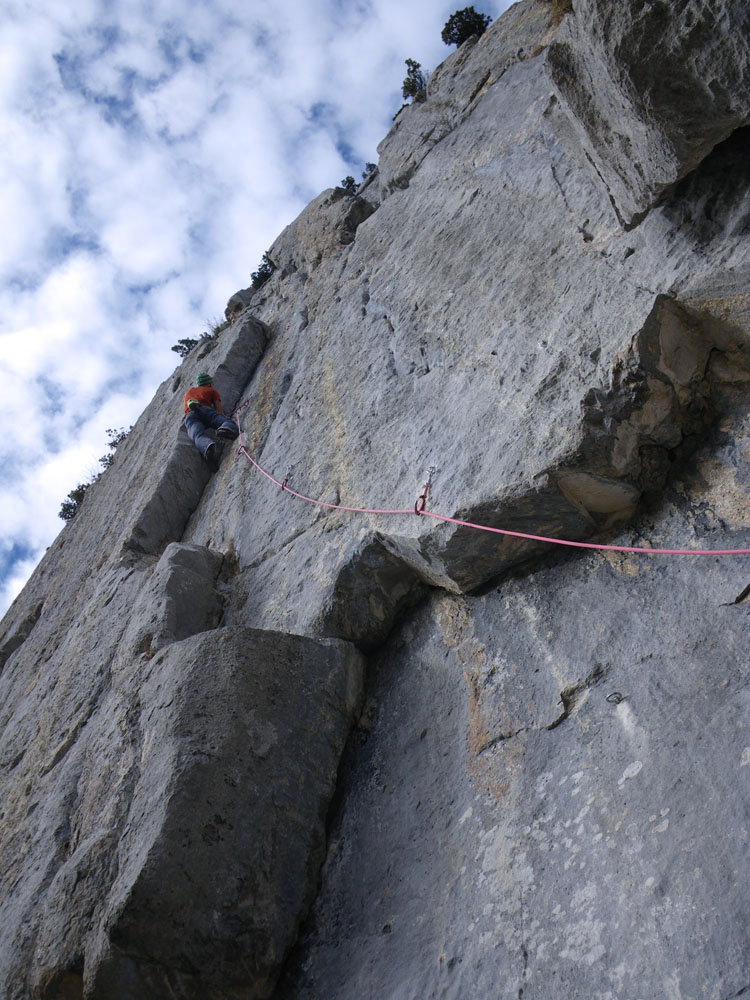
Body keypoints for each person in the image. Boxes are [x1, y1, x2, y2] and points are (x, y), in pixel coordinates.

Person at [183, 372, 238, 470]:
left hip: (190, 415)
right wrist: (221, 417)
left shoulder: (189, 392)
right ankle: (226, 429)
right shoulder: (211, 390)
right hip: (205, 410)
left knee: (197, 436)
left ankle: (207, 447)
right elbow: (219, 409)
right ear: (208, 383)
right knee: (225, 421)